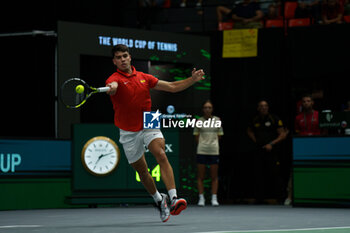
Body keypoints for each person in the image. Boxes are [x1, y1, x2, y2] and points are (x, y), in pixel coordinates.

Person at [105, 44, 205, 222]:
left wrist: (192, 80)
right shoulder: (114, 79)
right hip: (127, 129)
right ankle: (159, 200)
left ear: (130, 57)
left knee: (161, 154)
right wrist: (112, 88)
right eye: (118, 57)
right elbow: (112, 86)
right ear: (114, 61)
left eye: (125, 56)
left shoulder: (144, 77)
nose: (122, 59)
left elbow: (173, 87)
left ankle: (174, 198)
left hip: (148, 119)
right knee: (142, 171)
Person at [247, 100, 287, 204]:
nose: (263, 108)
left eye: (265, 106)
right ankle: (259, 198)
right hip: (259, 150)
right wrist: (256, 140)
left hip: (272, 150)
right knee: (258, 174)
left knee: (275, 174)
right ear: (258, 108)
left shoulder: (274, 118)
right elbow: (249, 130)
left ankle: (281, 198)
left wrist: (271, 144)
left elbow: (282, 134)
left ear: (268, 108)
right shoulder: (255, 119)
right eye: (261, 106)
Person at [193, 100, 224, 207]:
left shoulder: (217, 120)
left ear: (212, 109)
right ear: (203, 109)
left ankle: (214, 198)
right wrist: (204, 144)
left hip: (214, 151)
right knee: (200, 176)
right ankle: (201, 198)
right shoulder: (199, 121)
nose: (207, 109)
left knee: (214, 176)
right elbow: (196, 136)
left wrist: (212, 144)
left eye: (209, 107)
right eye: (205, 107)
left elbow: (219, 136)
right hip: (202, 151)